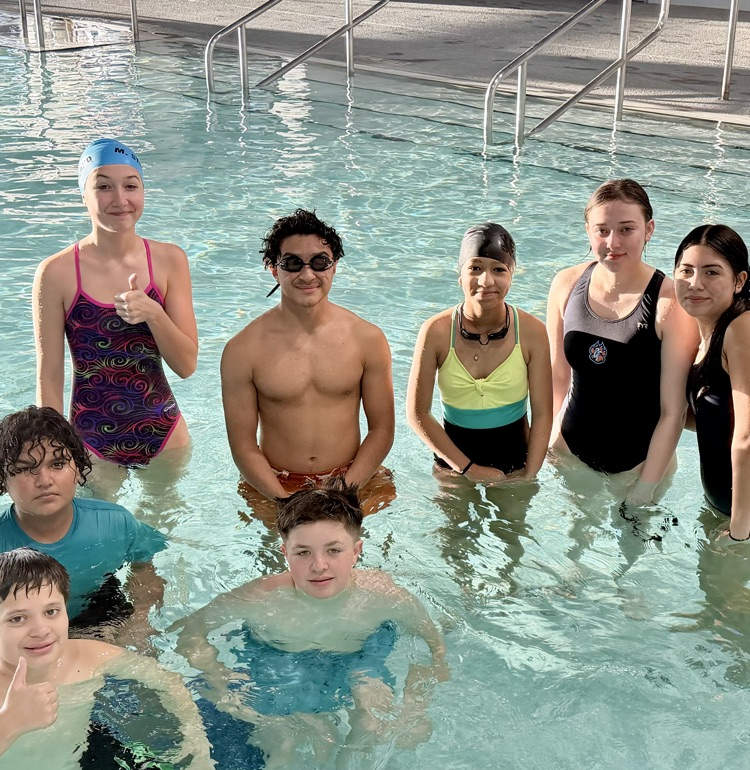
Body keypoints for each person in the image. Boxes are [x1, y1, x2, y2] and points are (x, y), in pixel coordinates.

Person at [173, 482, 448, 768]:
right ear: (285, 552)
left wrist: (415, 706)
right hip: (277, 661)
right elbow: (190, 632)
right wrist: (221, 682)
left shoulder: (383, 596)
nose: (319, 565)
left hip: (358, 658)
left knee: (373, 722)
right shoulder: (259, 598)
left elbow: (434, 646)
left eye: (333, 550)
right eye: (303, 552)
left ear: (356, 551)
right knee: (283, 743)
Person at [33, 138, 198, 468]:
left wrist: (153, 313)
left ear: (143, 191)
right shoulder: (56, 272)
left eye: (131, 186)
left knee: (163, 522)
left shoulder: (169, 260)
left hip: (165, 435)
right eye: (103, 187)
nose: (120, 199)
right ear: (84, 195)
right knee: (95, 521)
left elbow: (186, 365)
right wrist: (53, 452)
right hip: (90, 438)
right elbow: (49, 376)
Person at [221, 209, 395, 518]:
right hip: (275, 483)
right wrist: (284, 501)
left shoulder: (367, 339)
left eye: (319, 262)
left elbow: (382, 429)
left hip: (353, 478)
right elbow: (243, 446)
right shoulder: (242, 350)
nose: (307, 274)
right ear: (273, 269)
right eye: (292, 263)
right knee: (278, 563)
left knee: (362, 563)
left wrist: (344, 489)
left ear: (334, 266)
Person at [546, 178, 699, 503]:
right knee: (568, 551)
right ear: (588, 230)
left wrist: (644, 489)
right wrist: (548, 440)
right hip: (569, 455)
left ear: (649, 229)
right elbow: (558, 375)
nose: (613, 242)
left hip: (639, 468)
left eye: (627, 229)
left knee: (632, 551)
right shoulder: (566, 283)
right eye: (602, 230)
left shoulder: (671, 303)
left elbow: (673, 411)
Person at [0, 548, 212, 767]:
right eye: (17, 618)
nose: (41, 630)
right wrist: (9, 724)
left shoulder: (89, 657)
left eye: (51, 612)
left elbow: (167, 680)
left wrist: (196, 742)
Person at [0, 406, 166, 644]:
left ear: (77, 469)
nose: (45, 481)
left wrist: (140, 619)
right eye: (26, 468)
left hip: (100, 610)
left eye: (57, 464)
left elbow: (144, 565)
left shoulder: (114, 524)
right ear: (3, 480)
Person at [407, 222, 552, 483]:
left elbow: (543, 413)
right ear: (460, 275)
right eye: (475, 268)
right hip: (452, 464)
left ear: (511, 276)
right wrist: (469, 469)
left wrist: (530, 473)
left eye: (499, 269)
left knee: (513, 525)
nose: (486, 281)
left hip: (516, 461)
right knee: (453, 526)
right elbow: (418, 413)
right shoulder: (436, 332)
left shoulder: (532, 332)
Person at [673, 224, 750, 541]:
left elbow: (747, 437)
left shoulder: (742, 330)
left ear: (739, 281)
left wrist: (739, 534)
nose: (695, 284)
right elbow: (713, 420)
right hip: (724, 511)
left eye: (711, 273)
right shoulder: (704, 336)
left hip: (741, 523)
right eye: (686, 270)